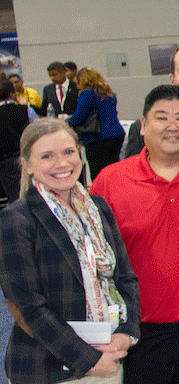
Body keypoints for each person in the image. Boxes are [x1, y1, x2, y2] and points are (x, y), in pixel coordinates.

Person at [91, 85, 179, 383]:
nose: (172, 127)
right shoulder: (111, 181)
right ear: (142, 126)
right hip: (141, 334)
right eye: (161, 117)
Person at [0, 119, 139, 383]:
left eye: (68, 152)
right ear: (27, 165)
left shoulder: (97, 207)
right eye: (47, 156)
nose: (62, 163)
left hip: (109, 356)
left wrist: (126, 333)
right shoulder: (16, 220)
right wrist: (89, 360)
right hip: (50, 369)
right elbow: (29, 307)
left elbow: (125, 278)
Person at [66, 68, 125, 177]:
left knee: (98, 174)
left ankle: (101, 194)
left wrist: (65, 121)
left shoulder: (87, 93)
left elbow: (79, 117)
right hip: (116, 135)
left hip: (98, 138)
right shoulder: (108, 92)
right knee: (113, 171)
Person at [0, 79, 36, 201]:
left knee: (13, 197)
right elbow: (38, 130)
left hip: (4, 161)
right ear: (12, 93)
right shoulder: (25, 110)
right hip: (26, 157)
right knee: (32, 193)